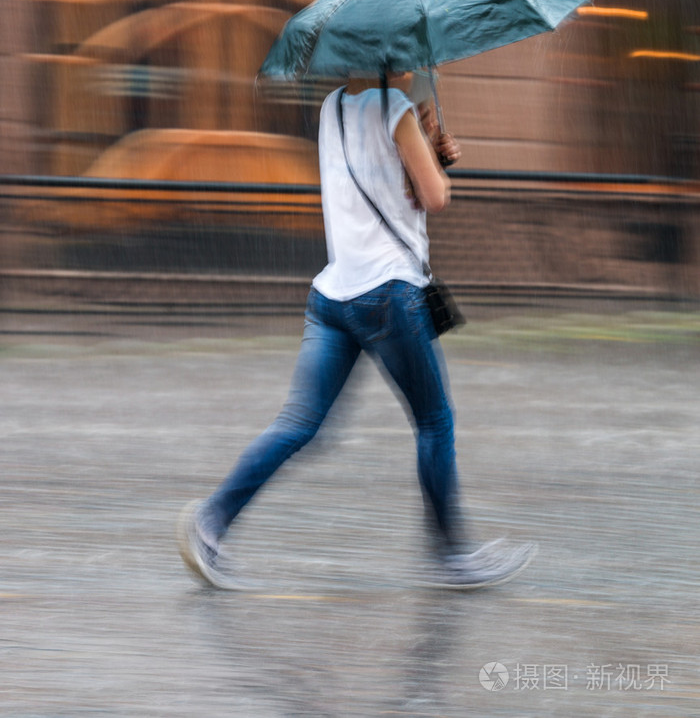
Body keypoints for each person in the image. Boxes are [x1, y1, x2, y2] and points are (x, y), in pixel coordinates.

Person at [177, 71, 536, 589]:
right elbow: (434, 197)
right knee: (435, 422)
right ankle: (452, 556)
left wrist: (427, 141)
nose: (414, 66)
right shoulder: (395, 109)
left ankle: (210, 522)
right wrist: (432, 152)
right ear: (391, 55)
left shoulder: (332, 108)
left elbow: (385, 183)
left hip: (334, 296)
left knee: (298, 425)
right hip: (389, 295)